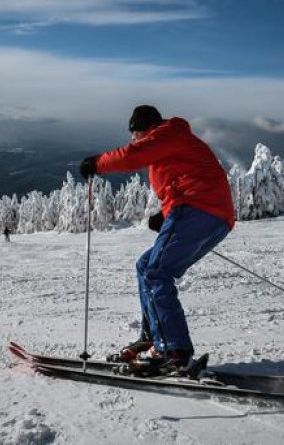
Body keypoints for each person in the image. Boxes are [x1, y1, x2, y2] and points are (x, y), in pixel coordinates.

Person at [80, 105, 235, 373]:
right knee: (146, 265)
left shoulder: (166, 134)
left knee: (156, 272)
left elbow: (132, 156)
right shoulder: (172, 139)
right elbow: (186, 180)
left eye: (135, 134)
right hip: (209, 214)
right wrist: (165, 215)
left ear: (144, 129)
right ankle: (154, 337)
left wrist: (97, 164)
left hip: (198, 211)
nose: (133, 139)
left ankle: (171, 349)